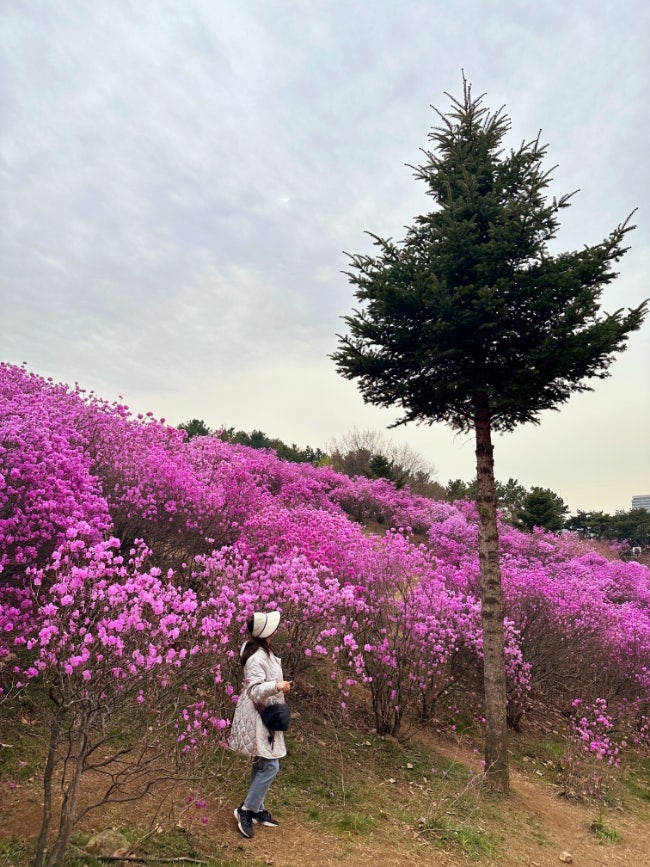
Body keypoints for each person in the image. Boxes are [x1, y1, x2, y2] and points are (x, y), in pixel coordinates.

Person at [229, 610, 292, 839]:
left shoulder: (263, 651)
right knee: (271, 765)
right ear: (266, 633)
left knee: (261, 762)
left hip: (266, 714)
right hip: (259, 715)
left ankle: (256, 808)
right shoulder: (256, 657)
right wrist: (277, 686)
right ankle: (246, 810)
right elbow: (255, 690)